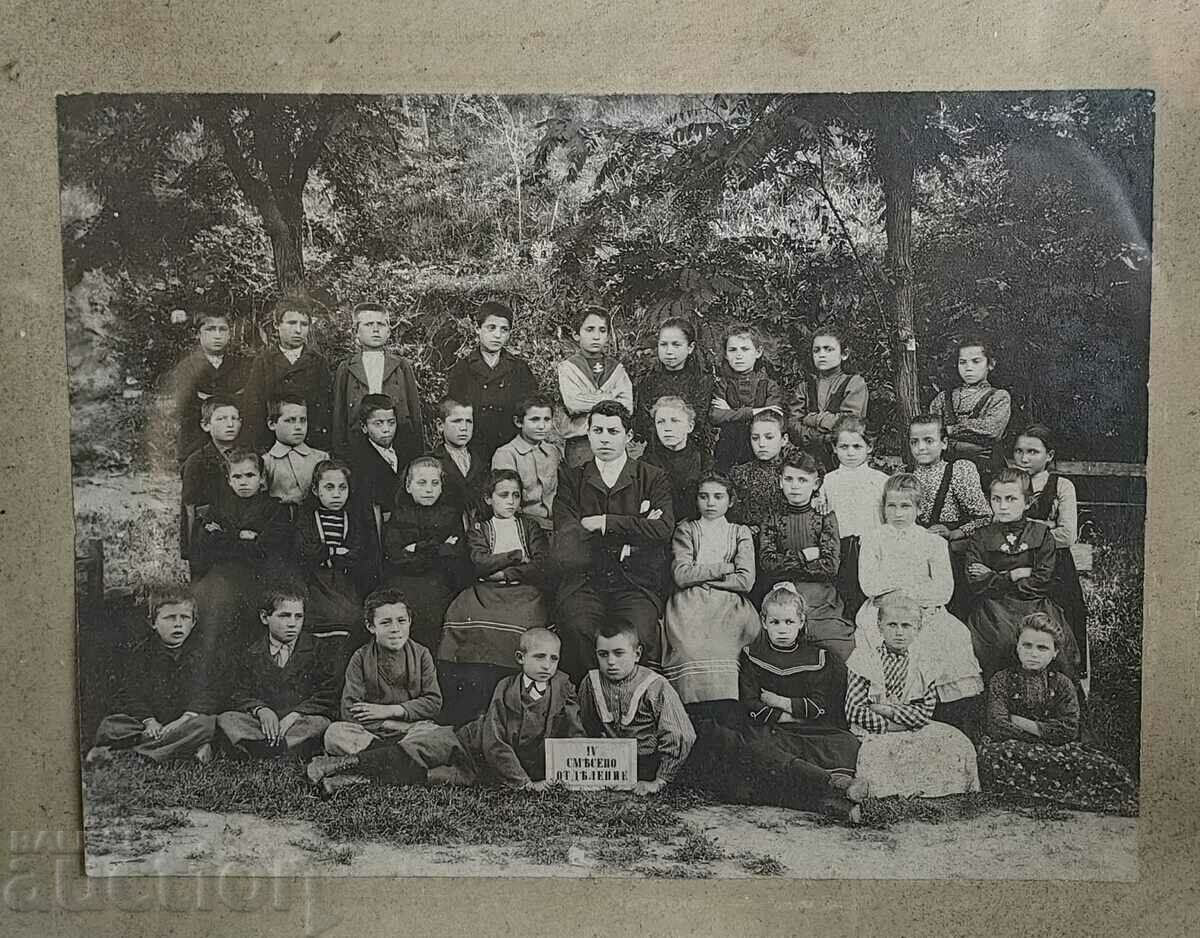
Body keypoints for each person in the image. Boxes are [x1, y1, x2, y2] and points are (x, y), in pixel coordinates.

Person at [697, 583, 866, 821]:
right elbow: (752, 705)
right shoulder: (752, 655)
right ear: (764, 622)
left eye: (789, 622)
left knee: (842, 744)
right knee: (754, 755)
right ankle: (832, 789)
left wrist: (780, 701)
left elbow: (819, 705)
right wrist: (789, 713)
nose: (782, 629)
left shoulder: (819, 657)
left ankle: (834, 792)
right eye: (775, 622)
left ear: (801, 622)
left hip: (809, 730)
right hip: (770, 729)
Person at [854, 474, 985, 738]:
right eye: (892, 506)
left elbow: (943, 590)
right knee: (884, 633)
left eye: (906, 506)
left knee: (951, 634)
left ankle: (944, 715)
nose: (898, 513)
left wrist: (905, 592)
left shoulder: (933, 543)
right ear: (884, 508)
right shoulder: (873, 539)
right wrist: (901, 593)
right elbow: (870, 584)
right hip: (883, 610)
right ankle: (895, 713)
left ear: (919, 508)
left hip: (926, 611)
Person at [552, 401, 674, 682]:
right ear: (589, 433)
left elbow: (663, 529)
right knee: (579, 627)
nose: (604, 438)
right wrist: (633, 534)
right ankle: (595, 703)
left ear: (628, 436)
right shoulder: (572, 478)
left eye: (613, 431)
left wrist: (605, 522)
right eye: (598, 430)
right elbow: (569, 537)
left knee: (637, 634)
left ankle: (632, 707)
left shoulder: (651, 477)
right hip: (585, 580)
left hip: (636, 581)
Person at [977, 614, 1136, 813]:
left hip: (1055, 751)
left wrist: (1022, 722)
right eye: (1027, 645)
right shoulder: (1001, 680)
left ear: (1055, 652)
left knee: (1110, 770)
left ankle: (1033, 793)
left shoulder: (1062, 684)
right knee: (993, 756)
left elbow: (1068, 730)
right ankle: (1051, 793)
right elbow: (997, 726)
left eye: (1042, 648)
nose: (1033, 653)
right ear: (1017, 647)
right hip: (1014, 748)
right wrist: (1045, 733)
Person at [439, 469, 551, 725]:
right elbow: (478, 561)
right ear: (489, 499)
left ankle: (509, 699)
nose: (510, 501)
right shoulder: (480, 529)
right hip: (484, 591)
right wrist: (514, 556)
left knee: (519, 623)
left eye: (515, 495)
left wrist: (503, 574)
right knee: (463, 611)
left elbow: (541, 563)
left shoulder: (529, 526)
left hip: (523, 591)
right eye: (503, 495)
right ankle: (470, 701)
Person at [845, 593, 981, 798]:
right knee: (882, 751)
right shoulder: (864, 659)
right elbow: (854, 710)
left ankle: (934, 791)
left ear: (918, 629)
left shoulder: (925, 663)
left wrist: (887, 710)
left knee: (956, 741)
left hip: (908, 725)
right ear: (879, 626)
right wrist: (891, 726)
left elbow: (925, 712)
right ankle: (891, 793)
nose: (899, 632)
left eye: (906, 626)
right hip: (874, 730)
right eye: (892, 625)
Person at [314, 588, 447, 787]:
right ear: (370, 626)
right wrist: (390, 725)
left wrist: (388, 711)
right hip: (373, 735)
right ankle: (394, 761)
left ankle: (357, 771)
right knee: (335, 733)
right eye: (385, 622)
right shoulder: (360, 658)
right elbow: (350, 710)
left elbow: (433, 702)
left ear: (410, 621)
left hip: (410, 732)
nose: (395, 629)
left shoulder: (421, 655)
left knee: (436, 736)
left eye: (401, 621)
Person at [964, 468, 1080, 680]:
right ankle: (998, 699)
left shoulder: (1041, 534)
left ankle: (1052, 701)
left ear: (1027, 503)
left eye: (1011, 499)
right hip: (994, 608)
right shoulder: (981, 537)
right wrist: (1014, 575)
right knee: (1001, 642)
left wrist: (995, 576)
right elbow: (976, 582)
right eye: (996, 499)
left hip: (1035, 604)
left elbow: (1043, 580)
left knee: (1053, 644)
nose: (1003, 506)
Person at [661, 472, 760, 719]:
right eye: (704, 497)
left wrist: (703, 575)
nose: (711, 503)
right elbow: (682, 575)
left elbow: (745, 580)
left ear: (730, 500)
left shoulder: (739, 532)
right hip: (690, 603)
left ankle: (728, 713)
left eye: (718, 497)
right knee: (690, 648)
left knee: (727, 647)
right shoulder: (686, 529)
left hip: (729, 604)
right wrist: (721, 568)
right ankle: (691, 715)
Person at [85, 585, 217, 766]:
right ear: (153, 622)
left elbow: (208, 693)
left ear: (193, 622)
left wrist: (183, 720)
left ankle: (137, 754)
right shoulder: (141, 654)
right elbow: (130, 693)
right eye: (170, 618)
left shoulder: (202, 654)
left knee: (206, 725)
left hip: (184, 721)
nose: (178, 624)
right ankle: (182, 748)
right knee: (112, 725)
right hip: (150, 723)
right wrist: (149, 722)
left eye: (185, 618)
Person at [190, 449, 296, 661]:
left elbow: (266, 550)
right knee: (210, 607)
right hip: (220, 576)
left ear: (262, 478)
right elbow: (205, 547)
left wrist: (225, 538)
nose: (244, 482)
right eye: (237, 477)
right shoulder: (218, 509)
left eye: (250, 475)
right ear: (229, 481)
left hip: (259, 577)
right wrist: (241, 536)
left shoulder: (275, 509)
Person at [455, 628, 586, 790]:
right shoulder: (505, 688)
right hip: (475, 743)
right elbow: (495, 740)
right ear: (520, 657)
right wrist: (524, 783)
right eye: (539, 657)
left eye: (554, 659)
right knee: (439, 746)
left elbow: (575, 731)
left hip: (529, 764)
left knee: (452, 774)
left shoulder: (564, 687)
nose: (547, 666)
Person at [217, 584, 337, 759]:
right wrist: (261, 710)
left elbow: (328, 693)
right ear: (265, 617)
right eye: (284, 616)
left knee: (320, 723)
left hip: (299, 721)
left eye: (298, 617)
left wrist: (296, 715)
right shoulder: (251, 652)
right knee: (226, 718)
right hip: (262, 724)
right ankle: (280, 749)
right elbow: (238, 692)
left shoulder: (319, 649)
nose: (292, 624)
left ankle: (265, 750)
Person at [756, 450, 854, 662]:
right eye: (789, 479)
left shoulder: (824, 516)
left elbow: (829, 566)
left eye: (802, 480)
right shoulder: (772, 517)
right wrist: (803, 555)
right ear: (780, 482)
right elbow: (767, 563)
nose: (795, 486)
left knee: (836, 646)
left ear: (816, 484)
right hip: (781, 591)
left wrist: (787, 563)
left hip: (820, 597)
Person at [577, 623, 697, 796]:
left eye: (619, 653)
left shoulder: (656, 685)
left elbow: (680, 734)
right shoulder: (590, 681)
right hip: (608, 763)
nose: (611, 662)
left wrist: (659, 781)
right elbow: (584, 723)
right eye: (603, 654)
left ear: (637, 654)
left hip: (647, 763)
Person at [1011, 424, 1090, 680]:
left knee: (1068, 615)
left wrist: (1026, 534)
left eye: (1033, 452)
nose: (1024, 458)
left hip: (1056, 568)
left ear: (1049, 455)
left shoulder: (1061, 486)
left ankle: (1071, 678)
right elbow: (999, 528)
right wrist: (1046, 528)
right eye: (1019, 451)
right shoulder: (1008, 485)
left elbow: (1067, 535)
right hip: (1017, 565)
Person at [908, 413, 992, 616]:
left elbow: (986, 518)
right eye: (914, 442)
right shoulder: (905, 476)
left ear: (944, 443)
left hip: (950, 557)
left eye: (929, 441)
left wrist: (955, 533)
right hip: (915, 557)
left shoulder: (959, 470)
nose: (921, 447)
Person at [380, 456, 466, 653]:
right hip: (405, 579)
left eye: (435, 483)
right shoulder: (400, 514)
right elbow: (394, 553)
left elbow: (455, 552)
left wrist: (416, 547)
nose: (429, 489)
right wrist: (436, 548)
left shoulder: (450, 514)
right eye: (422, 483)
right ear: (408, 487)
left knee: (437, 612)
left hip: (439, 580)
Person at [294, 459, 372, 668]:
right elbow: (306, 550)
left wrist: (329, 554)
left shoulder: (352, 519)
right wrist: (335, 551)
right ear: (316, 490)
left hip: (345, 581)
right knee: (320, 616)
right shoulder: (308, 517)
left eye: (342, 488)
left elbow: (356, 552)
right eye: (329, 487)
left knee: (352, 616)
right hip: (316, 582)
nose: (336, 494)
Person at [331, 301, 426, 463]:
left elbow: (414, 410)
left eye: (381, 324)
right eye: (368, 324)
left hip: (398, 445)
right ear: (356, 332)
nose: (375, 329)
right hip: (358, 448)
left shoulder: (401, 365)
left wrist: (417, 454)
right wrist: (340, 455)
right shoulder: (346, 368)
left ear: (389, 331)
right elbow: (339, 414)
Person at [446, 300, 538, 463]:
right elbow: (455, 412)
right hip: (475, 448)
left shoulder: (519, 369)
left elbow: (531, 409)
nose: (497, 335)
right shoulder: (463, 369)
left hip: (511, 447)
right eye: (491, 328)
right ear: (478, 329)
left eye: (504, 330)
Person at [239, 295, 332, 451]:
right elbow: (253, 408)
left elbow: (325, 407)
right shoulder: (263, 362)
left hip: (309, 444)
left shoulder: (318, 362)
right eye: (291, 323)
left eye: (304, 324)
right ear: (277, 325)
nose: (298, 330)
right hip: (271, 444)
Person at [820, 415, 889, 620]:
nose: (850, 453)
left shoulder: (880, 481)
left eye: (857, 446)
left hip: (872, 548)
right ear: (835, 448)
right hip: (840, 551)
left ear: (869, 447)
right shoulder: (829, 481)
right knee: (845, 600)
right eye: (844, 447)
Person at [556, 306, 634, 469]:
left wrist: (591, 400)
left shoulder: (617, 369)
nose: (596, 336)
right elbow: (574, 403)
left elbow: (626, 406)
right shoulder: (568, 368)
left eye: (602, 330)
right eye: (590, 330)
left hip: (613, 439)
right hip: (581, 443)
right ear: (576, 334)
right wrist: (611, 397)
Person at [929, 335, 1011, 483]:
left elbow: (991, 430)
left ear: (990, 364)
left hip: (986, 474)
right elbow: (933, 433)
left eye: (976, 361)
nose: (969, 368)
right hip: (947, 472)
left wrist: (952, 431)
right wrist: (966, 445)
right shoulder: (944, 398)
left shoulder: (998, 397)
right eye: (963, 362)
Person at [787, 326, 869, 469]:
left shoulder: (854, 383)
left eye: (828, 349)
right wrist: (820, 438)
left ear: (844, 354)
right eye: (816, 350)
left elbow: (848, 423)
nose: (822, 354)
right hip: (807, 459)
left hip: (842, 458)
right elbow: (793, 425)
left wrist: (811, 419)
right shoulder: (804, 387)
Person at [173, 310, 247, 466]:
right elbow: (186, 410)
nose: (217, 335)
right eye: (210, 329)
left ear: (229, 334)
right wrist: (230, 398)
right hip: (196, 440)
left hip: (233, 440)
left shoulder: (241, 365)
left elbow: (246, 403)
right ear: (198, 334)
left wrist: (208, 399)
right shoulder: (187, 367)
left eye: (223, 329)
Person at [634, 317, 714, 456]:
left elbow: (698, 421)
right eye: (664, 344)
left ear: (690, 348)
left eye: (676, 345)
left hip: (692, 453)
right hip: (656, 452)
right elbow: (643, 422)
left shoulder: (702, 380)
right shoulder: (648, 381)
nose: (669, 351)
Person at [710, 322, 782, 473]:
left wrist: (730, 413)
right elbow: (715, 416)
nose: (739, 355)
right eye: (732, 350)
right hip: (728, 453)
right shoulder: (723, 385)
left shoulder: (769, 386)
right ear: (725, 354)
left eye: (745, 349)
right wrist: (753, 412)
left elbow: (769, 418)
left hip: (759, 451)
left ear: (758, 352)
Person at [344, 393, 404, 571]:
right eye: (378, 424)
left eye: (391, 422)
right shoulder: (358, 459)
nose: (386, 429)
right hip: (374, 527)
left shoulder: (404, 450)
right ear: (364, 427)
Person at [180, 395, 242, 562]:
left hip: (240, 535)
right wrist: (190, 549)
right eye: (221, 419)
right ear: (206, 425)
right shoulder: (196, 462)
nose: (230, 424)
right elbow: (189, 507)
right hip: (207, 536)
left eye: (234, 418)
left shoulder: (247, 457)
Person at [491, 392, 560, 532]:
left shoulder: (553, 452)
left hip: (556, 521)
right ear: (518, 422)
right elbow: (507, 503)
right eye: (534, 420)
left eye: (547, 419)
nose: (542, 426)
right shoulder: (506, 454)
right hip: (523, 523)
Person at [640, 395, 708, 523]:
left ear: (690, 427)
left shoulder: (704, 460)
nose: (667, 428)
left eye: (675, 421)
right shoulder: (645, 463)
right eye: (660, 422)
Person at [727, 408, 791, 535]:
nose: (761, 444)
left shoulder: (795, 474)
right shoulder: (739, 475)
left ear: (784, 440)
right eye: (755, 438)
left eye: (769, 437)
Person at [261, 394, 330, 511]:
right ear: (272, 424)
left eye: (303, 420)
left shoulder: (320, 457)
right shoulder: (267, 461)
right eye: (290, 420)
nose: (298, 427)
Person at [433, 398, 487, 526]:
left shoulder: (480, 461)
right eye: (457, 421)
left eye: (469, 422)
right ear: (440, 425)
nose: (464, 428)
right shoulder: (432, 462)